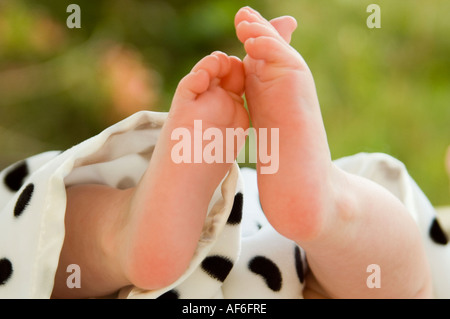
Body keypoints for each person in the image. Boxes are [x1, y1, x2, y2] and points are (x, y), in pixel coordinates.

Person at [0, 7, 448, 299]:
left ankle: (120, 233)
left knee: (32, 229)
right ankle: (334, 207)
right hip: (302, 276)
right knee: (406, 270)